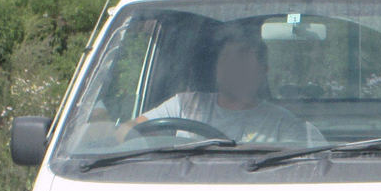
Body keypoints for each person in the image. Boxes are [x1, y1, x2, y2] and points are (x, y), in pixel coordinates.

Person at [121, 26, 323, 145]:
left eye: (242, 61)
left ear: (263, 71)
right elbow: (127, 131)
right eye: (227, 60)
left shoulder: (283, 124)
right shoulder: (185, 104)